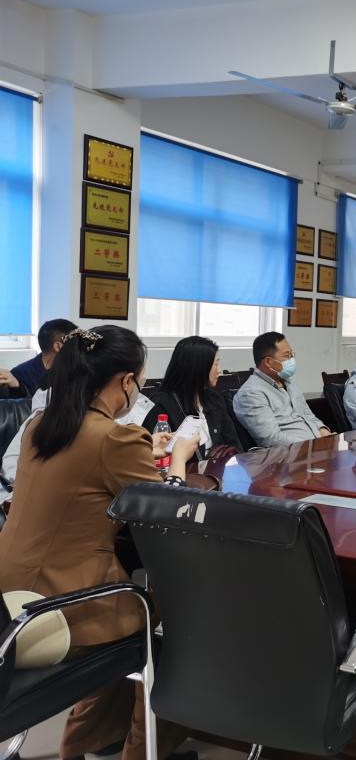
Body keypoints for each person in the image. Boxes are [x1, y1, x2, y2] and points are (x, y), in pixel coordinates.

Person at [0, 325, 200, 760]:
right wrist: (180, 459)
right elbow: (169, 511)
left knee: (136, 608)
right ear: (126, 381)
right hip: (59, 607)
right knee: (179, 623)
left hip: (10, 598)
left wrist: (143, 451)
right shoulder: (114, 438)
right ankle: (145, 750)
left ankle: (92, 738)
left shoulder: (40, 425)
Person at [141, 336, 243, 460]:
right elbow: (156, 456)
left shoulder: (214, 399)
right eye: (215, 364)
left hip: (217, 469)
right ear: (199, 367)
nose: (219, 370)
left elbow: (233, 443)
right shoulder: (161, 405)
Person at [232, 332, 330, 447]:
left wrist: (323, 430)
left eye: (292, 354)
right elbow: (271, 439)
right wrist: (310, 446)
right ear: (268, 362)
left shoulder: (289, 383)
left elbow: (307, 415)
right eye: (287, 356)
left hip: (314, 446)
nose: (291, 359)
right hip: (291, 453)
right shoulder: (251, 393)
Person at [0, 318, 76, 398]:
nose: (79, 347)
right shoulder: (21, 375)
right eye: (75, 343)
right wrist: (18, 388)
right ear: (58, 346)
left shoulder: (77, 369)